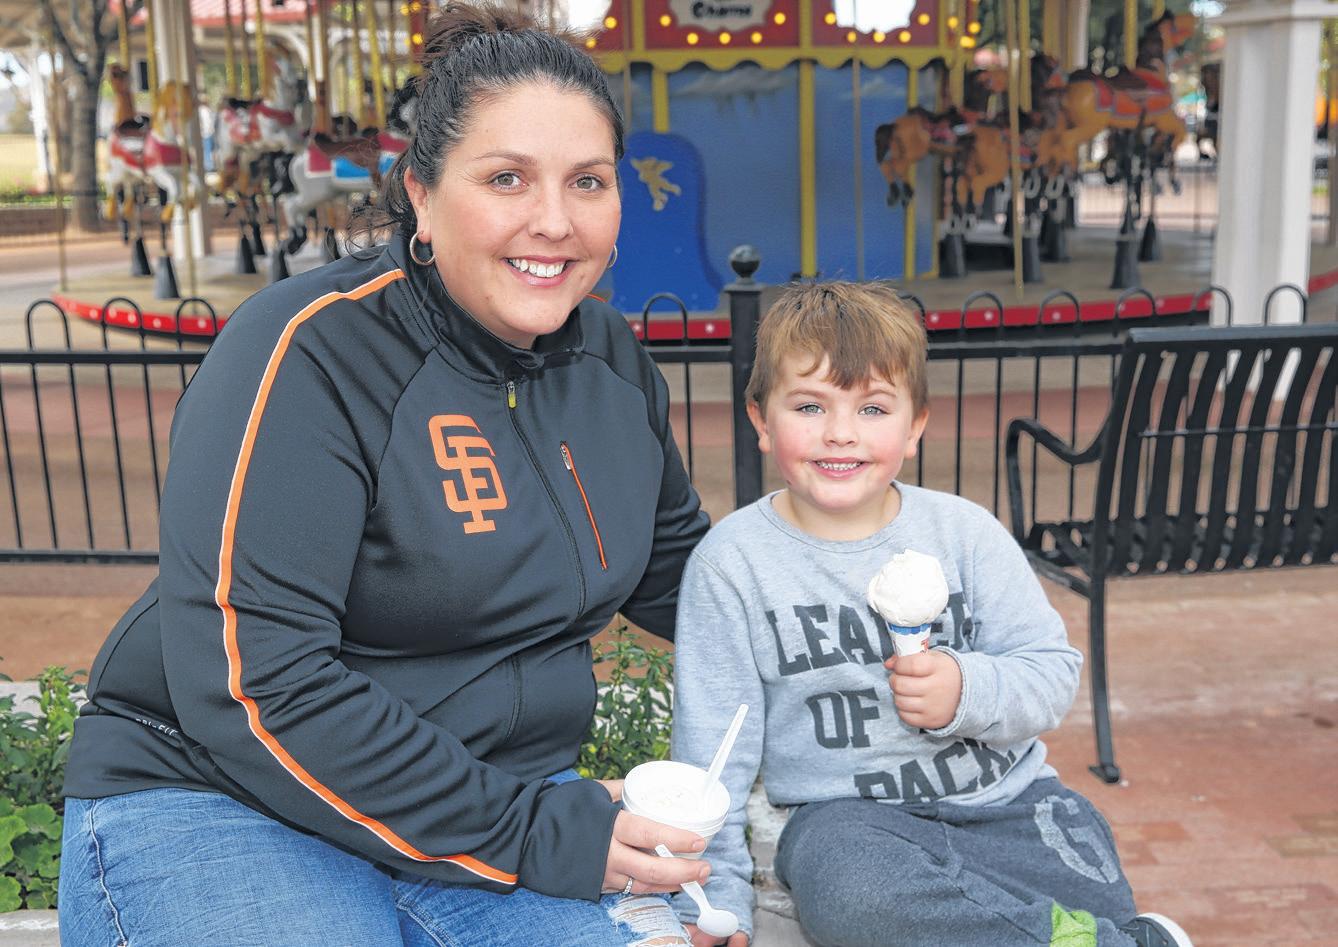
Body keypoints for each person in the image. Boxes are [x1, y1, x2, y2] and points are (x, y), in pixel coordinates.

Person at [57, 5, 714, 945]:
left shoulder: (610, 360)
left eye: (588, 181)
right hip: (227, 793)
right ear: (422, 193)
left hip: (489, 795)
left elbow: (687, 578)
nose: (555, 220)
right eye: (506, 178)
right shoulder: (309, 351)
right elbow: (258, 683)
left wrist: (847, 560)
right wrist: (537, 831)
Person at [669, 281, 1193, 947]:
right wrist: (716, 893)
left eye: (872, 408)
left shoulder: (965, 534)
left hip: (1008, 805)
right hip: (852, 826)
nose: (840, 432)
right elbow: (712, 749)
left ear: (915, 426)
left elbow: (1051, 674)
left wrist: (965, 689)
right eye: (809, 405)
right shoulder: (732, 563)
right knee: (853, 899)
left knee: (1094, 890)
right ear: (761, 421)